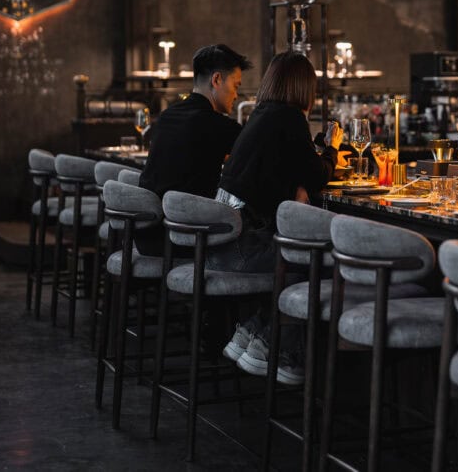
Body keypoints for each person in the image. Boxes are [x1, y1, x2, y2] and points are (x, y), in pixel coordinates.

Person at [213, 52, 343, 383]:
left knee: (300, 253)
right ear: (305, 87)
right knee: (314, 259)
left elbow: (289, 170)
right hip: (242, 248)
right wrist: (332, 149)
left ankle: (253, 333)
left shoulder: (262, 115)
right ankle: (282, 351)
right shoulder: (289, 118)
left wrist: (300, 182)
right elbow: (316, 175)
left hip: (222, 244)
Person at [137, 43, 251, 255]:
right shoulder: (216, 125)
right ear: (216, 80)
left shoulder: (167, 116)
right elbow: (259, 152)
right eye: (236, 86)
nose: (236, 95)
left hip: (147, 233)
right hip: (185, 238)